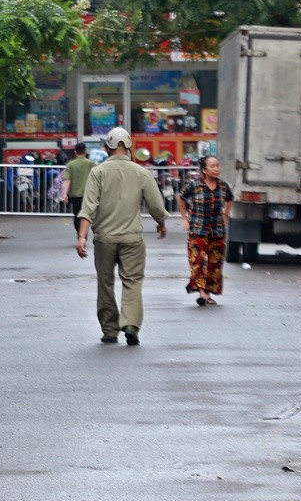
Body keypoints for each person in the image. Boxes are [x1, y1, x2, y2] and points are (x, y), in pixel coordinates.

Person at [75, 127, 168, 346]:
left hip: (104, 239)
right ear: (128, 146)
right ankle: (131, 324)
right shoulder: (140, 172)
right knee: (132, 281)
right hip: (132, 239)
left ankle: (109, 330)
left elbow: (88, 207)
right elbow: (155, 205)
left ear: (107, 147)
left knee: (105, 283)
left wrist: (81, 237)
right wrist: (161, 223)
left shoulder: (98, 172)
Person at [178, 154, 234, 306]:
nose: (216, 169)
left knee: (214, 264)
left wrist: (226, 213)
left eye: (217, 165)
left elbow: (230, 198)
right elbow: (181, 198)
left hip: (217, 230)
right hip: (198, 229)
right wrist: (184, 218)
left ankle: (208, 293)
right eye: (212, 166)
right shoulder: (195, 185)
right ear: (204, 170)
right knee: (198, 261)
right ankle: (202, 293)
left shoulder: (223, 186)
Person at [59, 145, 94, 232]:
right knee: (86, 216)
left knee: (77, 216)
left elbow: (67, 180)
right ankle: (84, 233)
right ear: (85, 151)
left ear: (75, 152)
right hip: (88, 195)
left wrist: (64, 194)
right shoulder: (91, 164)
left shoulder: (70, 164)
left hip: (75, 195)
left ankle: (80, 234)